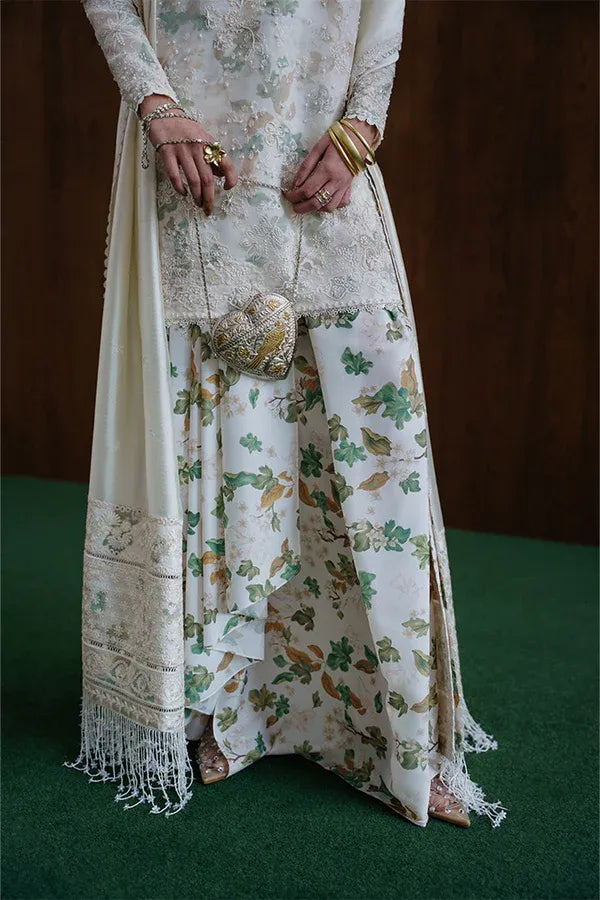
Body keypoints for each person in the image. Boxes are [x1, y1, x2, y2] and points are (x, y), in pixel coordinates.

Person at [67, 0, 506, 828]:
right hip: (198, 171)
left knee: (372, 447)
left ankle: (396, 731)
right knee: (221, 447)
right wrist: (155, 103)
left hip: (323, 159)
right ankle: (226, 708)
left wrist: (363, 125)